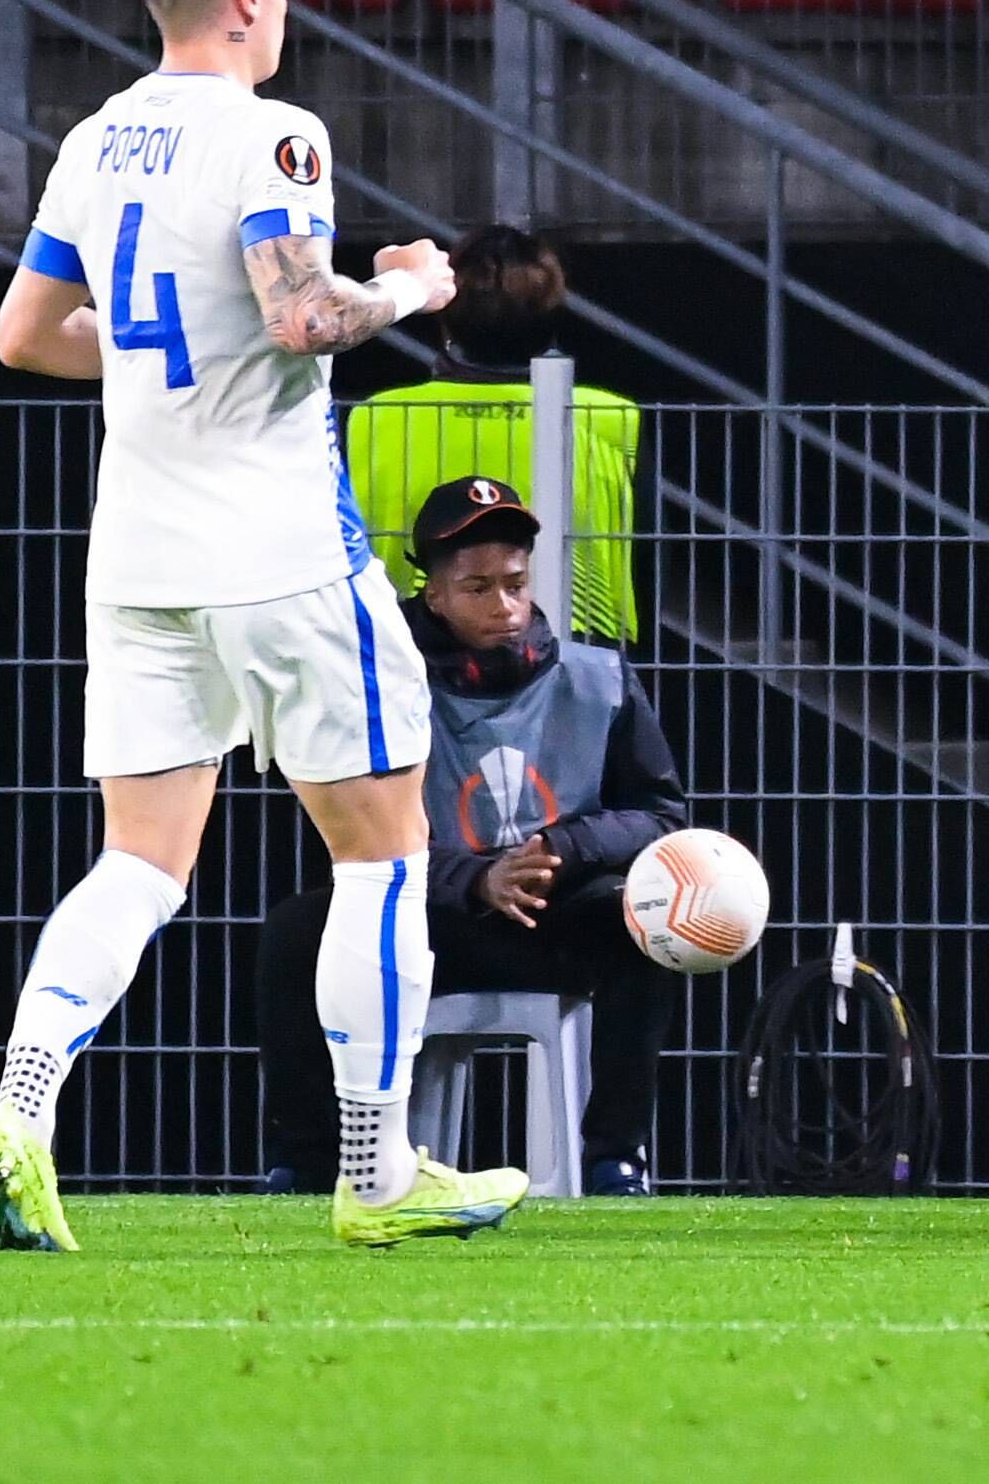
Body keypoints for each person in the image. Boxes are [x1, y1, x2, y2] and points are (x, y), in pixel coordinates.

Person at [0, 0, 527, 1252]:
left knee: (140, 861)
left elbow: (25, 335)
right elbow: (302, 316)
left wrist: (169, 360)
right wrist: (411, 289)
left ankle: (21, 1108)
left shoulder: (95, 140)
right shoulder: (276, 134)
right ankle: (377, 1172)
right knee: (383, 853)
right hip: (279, 553)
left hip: (139, 555)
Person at [258, 477, 691, 1198]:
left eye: (515, 584)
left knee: (643, 921)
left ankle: (616, 1160)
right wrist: (476, 880)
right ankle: (304, 1165)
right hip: (429, 919)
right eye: (478, 588)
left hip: (558, 914)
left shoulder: (599, 678)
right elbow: (347, 834)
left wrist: (562, 849)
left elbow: (661, 815)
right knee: (297, 930)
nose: (504, 606)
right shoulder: (377, 685)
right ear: (433, 596)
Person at [342, 225, 644, 643]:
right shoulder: (611, 417)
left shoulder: (375, 415)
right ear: (553, 317)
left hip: (408, 635)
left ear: (447, 318)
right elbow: (649, 552)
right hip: (579, 638)